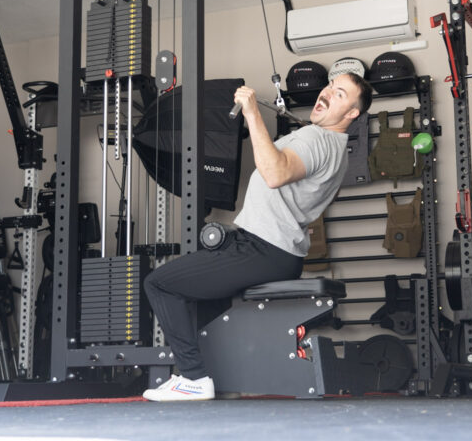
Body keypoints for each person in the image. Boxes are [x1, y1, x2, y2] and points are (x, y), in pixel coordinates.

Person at [142, 72, 372, 401]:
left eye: (339, 95)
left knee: (159, 283)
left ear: (351, 114)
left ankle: (193, 379)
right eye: (329, 86)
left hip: (262, 249)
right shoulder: (336, 148)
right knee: (205, 309)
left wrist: (252, 113)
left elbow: (276, 173)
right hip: (273, 252)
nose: (326, 94)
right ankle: (221, 380)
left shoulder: (315, 139)